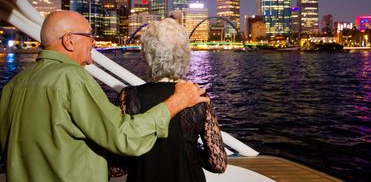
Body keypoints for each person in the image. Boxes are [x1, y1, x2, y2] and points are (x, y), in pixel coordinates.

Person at [0, 10, 208, 182]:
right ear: (69, 41)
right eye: (89, 36)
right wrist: (175, 102)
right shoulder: (72, 79)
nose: (94, 42)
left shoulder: (13, 86)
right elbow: (123, 136)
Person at [111, 18, 227, 181]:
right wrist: (192, 152)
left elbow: (115, 169)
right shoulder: (197, 97)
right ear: (184, 55)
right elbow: (218, 163)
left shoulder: (128, 97)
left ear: (148, 55)